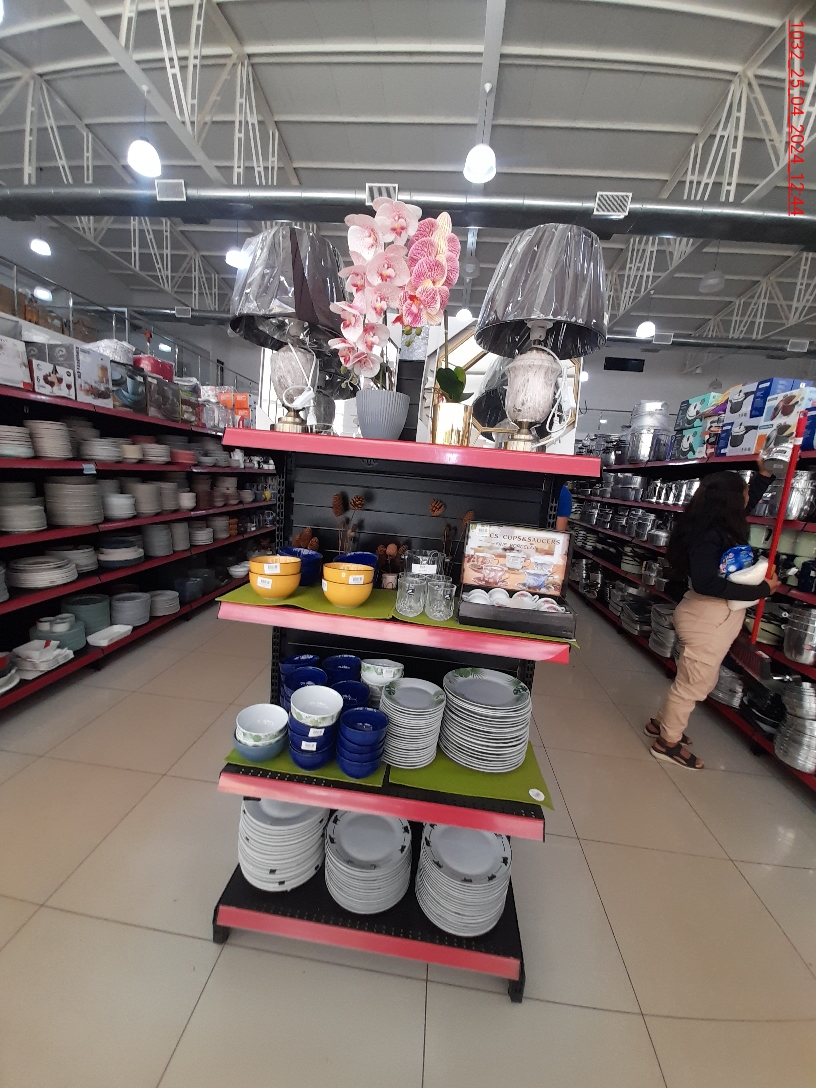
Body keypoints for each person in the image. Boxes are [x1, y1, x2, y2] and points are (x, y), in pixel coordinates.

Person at [647, 461, 780, 770]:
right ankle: (667, 743)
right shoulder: (709, 535)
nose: (748, 497)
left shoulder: (716, 524)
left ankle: (662, 724)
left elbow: (746, 506)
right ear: (731, 500)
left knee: (689, 679)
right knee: (693, 685)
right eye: (744, 492)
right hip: (707, 618)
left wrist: (763, 476)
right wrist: (763, 590)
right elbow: (707, 583)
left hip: (706, 615)